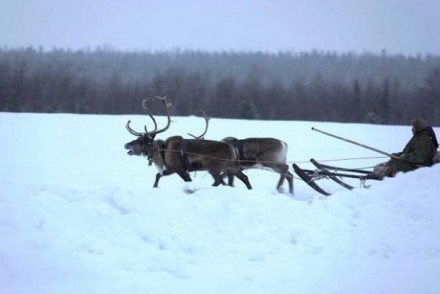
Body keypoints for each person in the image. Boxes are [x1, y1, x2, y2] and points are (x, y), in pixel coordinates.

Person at [370, 117, 438, 179]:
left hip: (417, 166)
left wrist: (403, 157)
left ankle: (385, 176)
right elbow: (409, 152)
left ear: (418, 128)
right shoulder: (419, 137)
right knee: (381, 166)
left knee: (380, 168)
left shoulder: (423, 140)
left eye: (413, 127)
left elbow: (420, 157)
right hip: (410, 163)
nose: (412, 129)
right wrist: (398, 155)